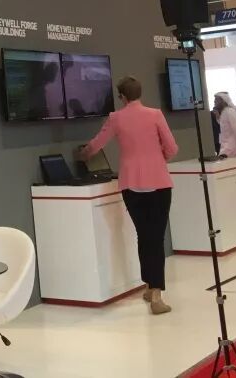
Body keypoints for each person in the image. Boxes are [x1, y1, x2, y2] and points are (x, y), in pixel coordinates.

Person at [80, 76, 178, 315]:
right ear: (139, 93)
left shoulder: (116, 118)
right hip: (159, 183)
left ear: (122, 96)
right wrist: (158, 159)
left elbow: (96, 144)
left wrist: (83, 155)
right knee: (156, 238)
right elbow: (172, 148)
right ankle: (156, 293)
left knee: (143, 235)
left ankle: (150, 286)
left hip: (131, 185)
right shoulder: (155, 114)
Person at [214, 92, 236, 157]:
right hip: (226, 149)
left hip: (232, 150)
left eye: (216, 99)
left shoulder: (230, 112)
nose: (214, 101)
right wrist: (218, 118)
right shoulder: (224, 112)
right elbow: (226, 127)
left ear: (223, 101)